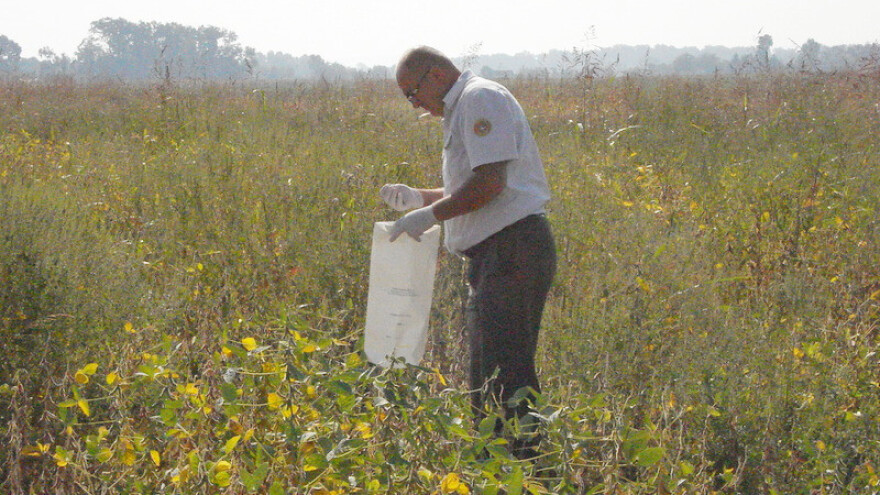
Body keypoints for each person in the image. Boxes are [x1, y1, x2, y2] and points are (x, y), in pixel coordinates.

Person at [379, 46, 556, 459]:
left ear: (437, 75)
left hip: (512, 251)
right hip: (500, 255)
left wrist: (430, 216)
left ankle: (519, 467)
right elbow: (472, 186)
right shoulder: (463, 107)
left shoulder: (480, 99)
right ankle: (511, 465)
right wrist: (419, 198)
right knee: (494, 371)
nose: (414, 104)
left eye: (413, 92)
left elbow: (490, 184)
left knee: (502, 375)